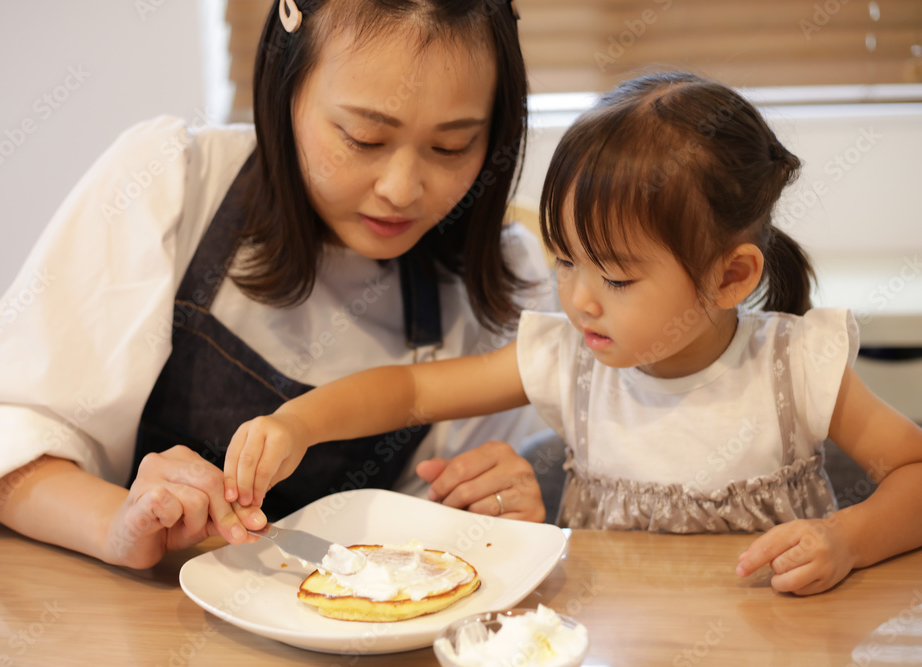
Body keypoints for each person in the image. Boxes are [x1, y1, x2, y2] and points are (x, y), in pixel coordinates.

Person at [224, 71, 922, 596]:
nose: (578, 299)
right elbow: (411, 389)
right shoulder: (570, 359)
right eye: (564, 259)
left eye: (615, 279)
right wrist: (297, 423)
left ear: (730, 277)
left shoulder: (795, 365)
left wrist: (847, 540)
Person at [0, 0, 553, 569]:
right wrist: (116, 524)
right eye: (364, 138)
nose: (401, 189)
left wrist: (491, 510)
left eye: (452, 147)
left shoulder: (499, 286)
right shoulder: (173, 186)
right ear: (286, 88)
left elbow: (432, 539)